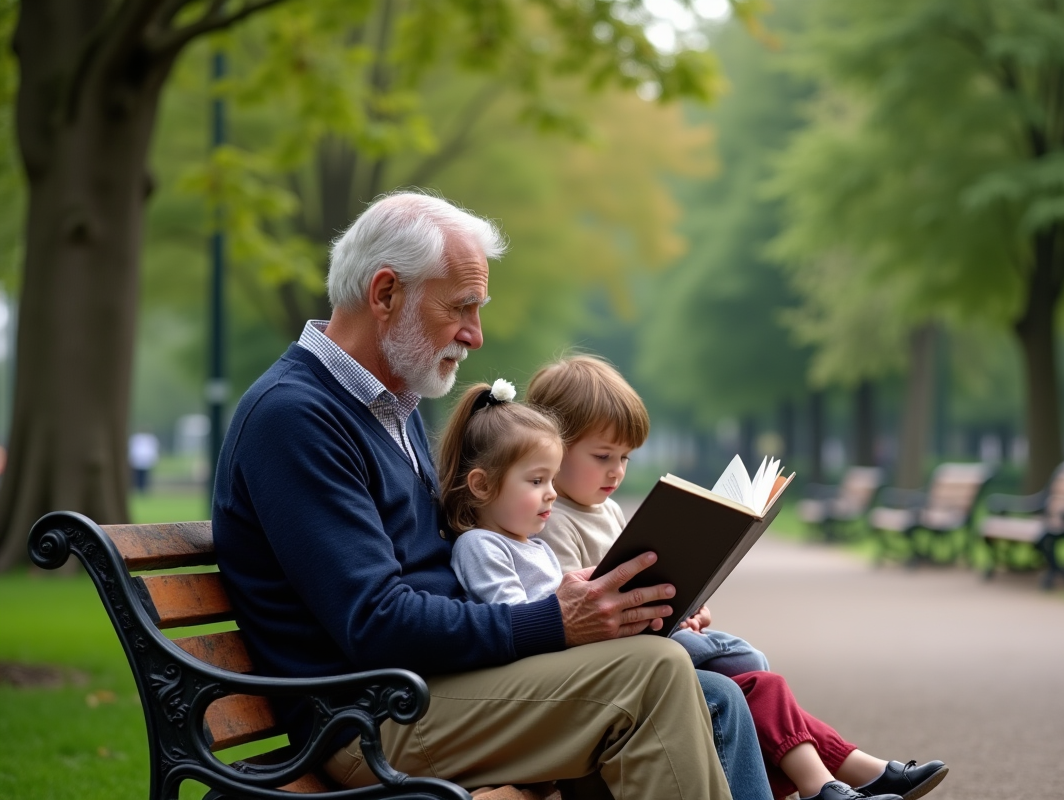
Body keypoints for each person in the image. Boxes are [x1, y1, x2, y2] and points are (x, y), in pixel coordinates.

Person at [211, 190, 769, 799]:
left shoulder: (388, 411)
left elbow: (445, 569)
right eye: (462, 308)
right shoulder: (295, 418)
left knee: (710, 691)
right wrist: (552, 621)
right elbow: (375, 620)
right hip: (367, 723)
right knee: (653, 675)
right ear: (385, 294)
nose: (475, 335)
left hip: (427, 691)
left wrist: (583, 599)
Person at [526, 354, 949, 800]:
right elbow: (577, 615)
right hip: (627, 658)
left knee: (753, 676)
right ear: (554, 447)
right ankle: (839, 779)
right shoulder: (552, 520)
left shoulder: (606, 508)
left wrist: (683, 602)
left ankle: (834, 781)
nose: (617, 470)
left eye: (626, 458)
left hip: (653, 640)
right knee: (750, 670)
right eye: (603, 456)